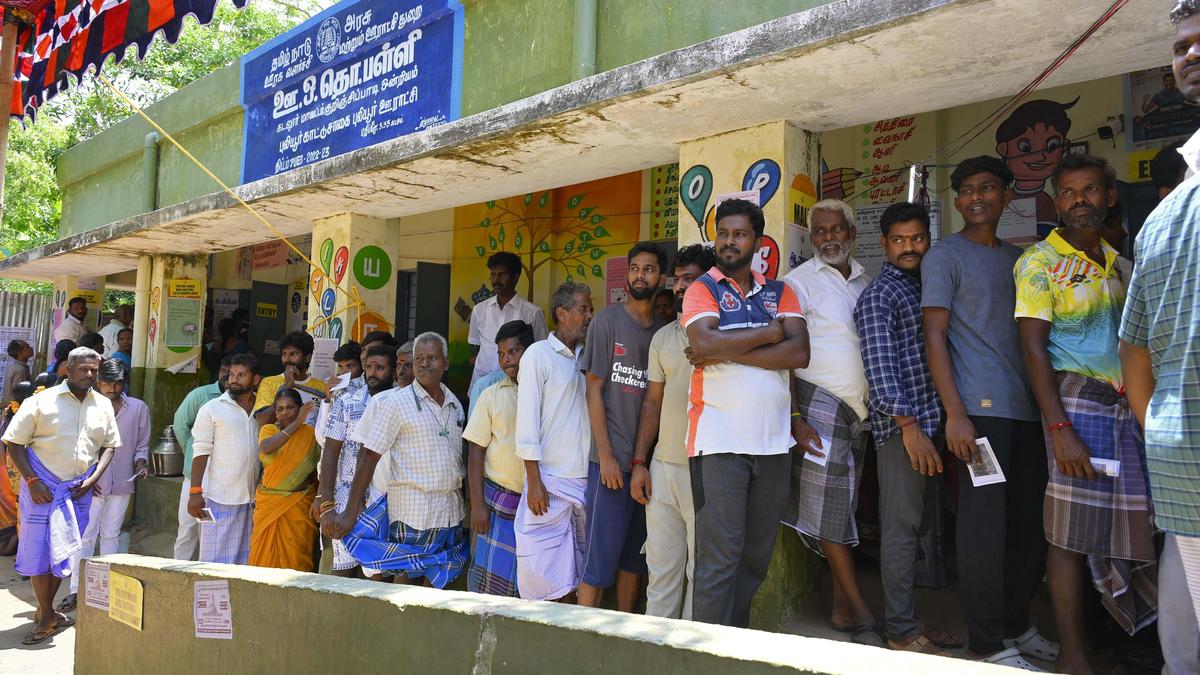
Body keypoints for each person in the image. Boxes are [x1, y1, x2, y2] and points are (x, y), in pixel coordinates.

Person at [1017, 155, 1158, 674]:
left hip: (1128, 409)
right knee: (1069, 533)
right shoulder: (1038, 262)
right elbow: (1033, 350)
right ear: (1057, 202)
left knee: (1134, 527)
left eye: (1090, 190)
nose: (1080, 200)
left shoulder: (1122, 265)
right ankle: (1075, 653)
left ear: (1109, 196)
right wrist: (1059, 430)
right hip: (1074, 406)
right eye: (1070, 192)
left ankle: (1128, 644)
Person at [922, 156, 1057, 669]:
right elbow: (935, 336)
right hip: (978, 418)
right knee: (983, 530)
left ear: (1006, 196)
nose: (977, 197)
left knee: (1027, 529)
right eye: (967, 190)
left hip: (1027, 415)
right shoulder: (944, 256)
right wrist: (955, 414)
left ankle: (1016, 626)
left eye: (988, 188)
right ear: (956, 201)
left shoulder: (1020, 259)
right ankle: (985, 643)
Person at [682, 198, 809, 628]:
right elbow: (702, 344)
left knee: (756, 555)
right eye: (723, 233)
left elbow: (799, 352)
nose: (729, 241)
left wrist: (729, 348)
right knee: (720, 556)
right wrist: (770, 334)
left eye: (739, 234)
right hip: (718, 443)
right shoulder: (703, 289)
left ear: (757, 240)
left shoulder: (781, 291)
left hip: (774, 444)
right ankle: (706, 653)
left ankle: (733, 644)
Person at [1119, 6, 1200, 672]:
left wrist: (1163, 427)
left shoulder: (1161, 219)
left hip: (1178, 453)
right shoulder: (1164, 219)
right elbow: (1136, 349)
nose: (1190, 53)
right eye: (1182, 44)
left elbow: (1133, 356)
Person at [854, 202, 959, 656]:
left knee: (918, 529)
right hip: (904, 431)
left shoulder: (921, 288)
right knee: (900, 528)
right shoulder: (881, 295)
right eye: (899, 240)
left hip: (930, 425)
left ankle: (911, 620)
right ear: (884, 245)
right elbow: (880, 370)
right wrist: (909, 427)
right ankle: (899, 630)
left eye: (917, 238)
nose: (909, 247)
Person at [781, 199, 878, 645]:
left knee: (845, 506)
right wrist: (796, 417)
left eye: (836, 229)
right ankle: (860, 611)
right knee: (832, 510)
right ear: (811, 236)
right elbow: (783, 357)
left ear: (851, 233)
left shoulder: (866, 280)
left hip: (860, 411)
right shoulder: (796, 284)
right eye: (819, 232)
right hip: (818, 401)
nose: (828, 238)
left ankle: (842, 609)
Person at [329, 332, 468, 588]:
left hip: (449, 514)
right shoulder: (396, 403)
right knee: (405, 588)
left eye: (432, 358)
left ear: (445, 363)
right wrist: (350, 511)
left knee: (438, 589)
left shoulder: (454, 404)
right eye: (419, 359)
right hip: (411, 513)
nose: (424, 364)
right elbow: (369, 456)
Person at [2, 347, 118, 645]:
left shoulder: (103, 405)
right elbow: (14, 443)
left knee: (61, 552)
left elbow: (109, 446)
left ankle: (48, 611)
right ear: (68, 367)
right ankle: (44, 615)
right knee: (38, 551)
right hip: (40, 488)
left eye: (93, 369)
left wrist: (93, 478)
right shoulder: (41, 401)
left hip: (77, 490)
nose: (89, 374)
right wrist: (32, 480)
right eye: (82, 369)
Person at [577, 242, 667, 610]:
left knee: (635, 560)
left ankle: (625, 632)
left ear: (662, 277)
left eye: (648, 269)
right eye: (634, 268)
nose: (639, 275)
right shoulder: (606, 322)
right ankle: (579, 636)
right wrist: (607, 457)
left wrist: (641, 462)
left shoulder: (665, 333)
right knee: (598, 563)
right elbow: (593, 391)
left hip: (647, 467)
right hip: (610, 466)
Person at [630, 243, 715, 619]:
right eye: (677, 280)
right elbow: (652, 403)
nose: (680, 287)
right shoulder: (663, 338)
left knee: (702, 572)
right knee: (662, 570)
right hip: (664, 467)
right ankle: (655, 651)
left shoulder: (724, 333)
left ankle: (690, 655)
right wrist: (639, 462)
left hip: (709, 467)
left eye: (690, 279)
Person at [513, 282, 593, 601]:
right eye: (583, 309)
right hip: (549, 481)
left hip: (586, 479)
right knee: (543, 570)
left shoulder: (589, 355)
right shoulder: (538, 355)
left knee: (583, 566)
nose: (589, 315)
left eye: (590, 308)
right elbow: (527, 422)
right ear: (562, 313)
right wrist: (534, 482)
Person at [63, 359, 150, 611]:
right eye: (107, 383)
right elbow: (78, 447)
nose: (113, 388)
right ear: (99, 383)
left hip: (123, 481)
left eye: (118, 383)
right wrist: (89, 478)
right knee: (85, 536)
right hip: (90, 484)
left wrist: (141, 462)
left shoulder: (138, 408)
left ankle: (107, 586)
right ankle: (76, 590)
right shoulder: (87, 406)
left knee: (112, 534)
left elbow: (142, 443)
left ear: (125, 383)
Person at [464, 320, 534, 597]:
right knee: (492, 585)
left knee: (530, 581)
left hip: (534, 503)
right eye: (501, 354)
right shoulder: (491, 395)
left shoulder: (546, 392)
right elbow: (475, 451)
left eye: (513, 352)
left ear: (530, 351)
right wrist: (478, 505)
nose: (507, 360)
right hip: (497, 502)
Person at [316, 345, 396, 578]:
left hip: (383, 502)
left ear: (392, 371)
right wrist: (326, 504)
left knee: (377, 578)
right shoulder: (346, 400)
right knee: (343, 574)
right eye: (369, 367)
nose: (372, 373)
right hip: (343, 500)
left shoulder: (399, 402)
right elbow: (330, 453)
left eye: (379, 368)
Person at [188, 354, 261, 565]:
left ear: (255, 379)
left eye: (242, 375)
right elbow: (200, 451)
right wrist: (195, 492)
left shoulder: (263, 409)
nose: (234, 379)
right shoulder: (212, 408)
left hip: (251, 499)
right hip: (219, 498)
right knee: (214, 563)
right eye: (231, 374)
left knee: (245, 562)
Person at [250, 388, 319, 571]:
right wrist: (297, 422)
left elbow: (316, 472)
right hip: (268, 504)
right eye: (280, 409)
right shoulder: (269, 430)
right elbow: (267, 448)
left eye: (290, 407)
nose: (285, 412)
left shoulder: (311, 434)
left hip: (298, 505)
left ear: (300, 408)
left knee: (297, 562)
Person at [172, 357, 232, 560]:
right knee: (187, 529)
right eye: (225, 370)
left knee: (210, 531)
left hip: (222, 479)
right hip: (194, 476)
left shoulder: (243, 401)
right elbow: (181, 426)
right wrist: (191, 450)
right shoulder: (200, 395)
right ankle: (179, 574)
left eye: (233, 373)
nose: (228, 376)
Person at [468, 251, 549, 388]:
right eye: (493, 275)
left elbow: (542, 353)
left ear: (515, 277)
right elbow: (477, 346)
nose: (496, 280)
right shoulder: (479, 310)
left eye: (502, 274)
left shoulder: (533, 314)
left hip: (518, 388)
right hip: (481, 386)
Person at [254, 330, 326, 426]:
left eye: (293, 354)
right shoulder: (269, 383)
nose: (287, 359)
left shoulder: (321, 387)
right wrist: (286, 387)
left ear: (307, 358)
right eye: (284, 354)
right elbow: (262, 422)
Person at [2, 339, 33, 409]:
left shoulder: (17, 367)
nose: (31, 348)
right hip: (14, 409)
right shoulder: (21, 370)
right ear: (20, 353)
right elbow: (20, 394)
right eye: (27, 347)